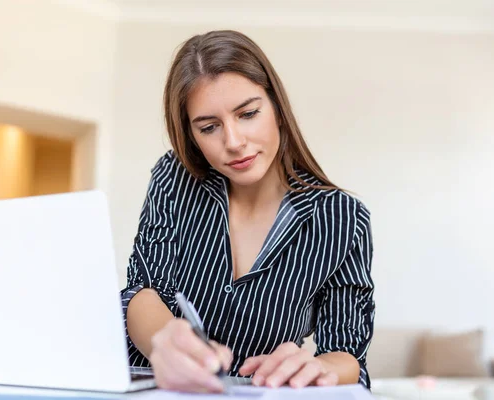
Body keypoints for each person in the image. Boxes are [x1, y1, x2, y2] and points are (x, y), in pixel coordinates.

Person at [121, 30, 375, 394]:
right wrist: (165, 341)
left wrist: (316, 366)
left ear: (277, 108)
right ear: (191, 135)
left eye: (248, 114)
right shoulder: (174, 177)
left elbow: (348, 353)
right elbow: (144, 290)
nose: (234, 142)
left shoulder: (342, 218)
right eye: (209, 127)